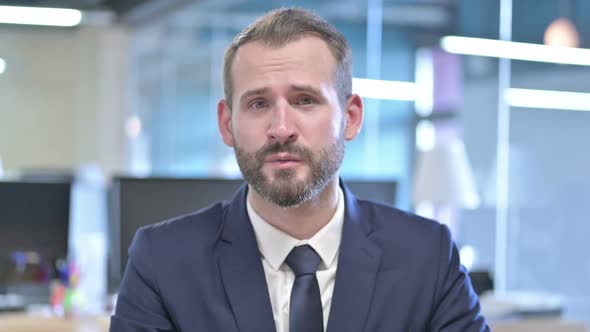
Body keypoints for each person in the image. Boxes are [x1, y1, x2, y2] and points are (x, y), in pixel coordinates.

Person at [111, 8, 489, 332]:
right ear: (227, 124)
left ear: (351, 117)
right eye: (258, 104)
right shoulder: (162, 261)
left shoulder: (427, 257)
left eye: (305, 100)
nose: (280, 127)